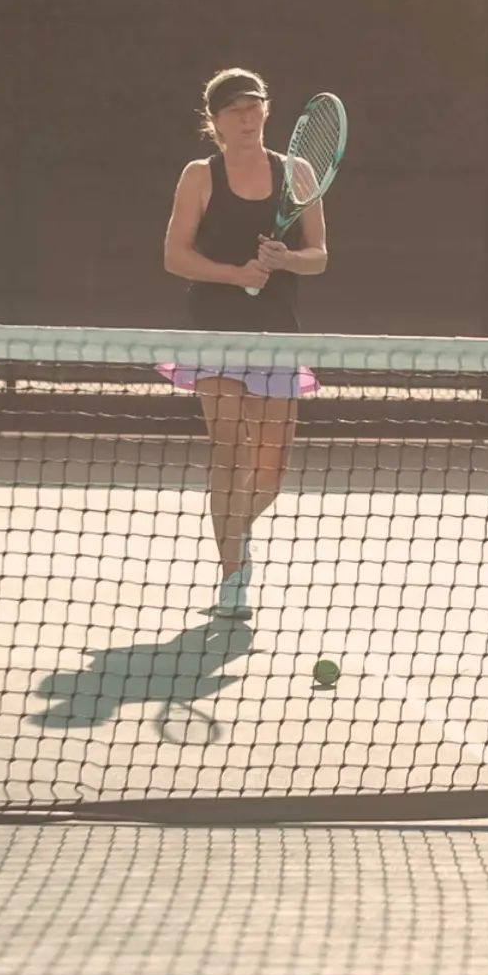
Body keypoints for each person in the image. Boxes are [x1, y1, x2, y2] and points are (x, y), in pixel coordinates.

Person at [160, 68, 329, 620]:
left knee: (272, 467)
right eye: (234, 110)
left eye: (253, 107)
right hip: (215, 328)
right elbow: (176, 256)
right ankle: (234, 576)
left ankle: (235, 532)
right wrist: (235, 275)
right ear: (215, 121)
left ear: (266, 111)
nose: (246, 118)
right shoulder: (199, 175)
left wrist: (286, 260)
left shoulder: (297, 172)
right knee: (229, 449)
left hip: (278, 333)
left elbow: (319, 254)